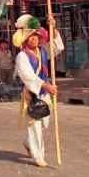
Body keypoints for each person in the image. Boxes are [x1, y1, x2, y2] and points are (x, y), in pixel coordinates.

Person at [13, 14, 63, 168]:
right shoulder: (22, 56)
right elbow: (27, 76)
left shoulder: (42, 51)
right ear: (25, 39)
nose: (34, 38)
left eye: (36, 36)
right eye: (31, 36)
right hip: (32, 93)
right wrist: (46, 85)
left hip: (45, 93)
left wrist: (53, 27)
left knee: (44, 123)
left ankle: (28, 142)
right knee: (35, 124)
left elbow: (57, 47)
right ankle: (38, 155)